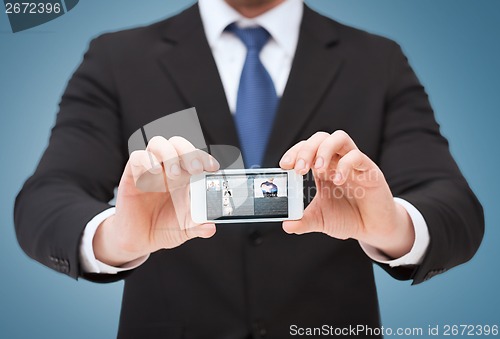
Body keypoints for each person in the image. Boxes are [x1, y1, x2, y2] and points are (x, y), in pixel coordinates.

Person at [14, 0, 484, 338]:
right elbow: (46, 196)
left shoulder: (377, 60)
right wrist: (117, 237)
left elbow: (453, 203)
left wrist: (394, 225)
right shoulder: (116, 58)